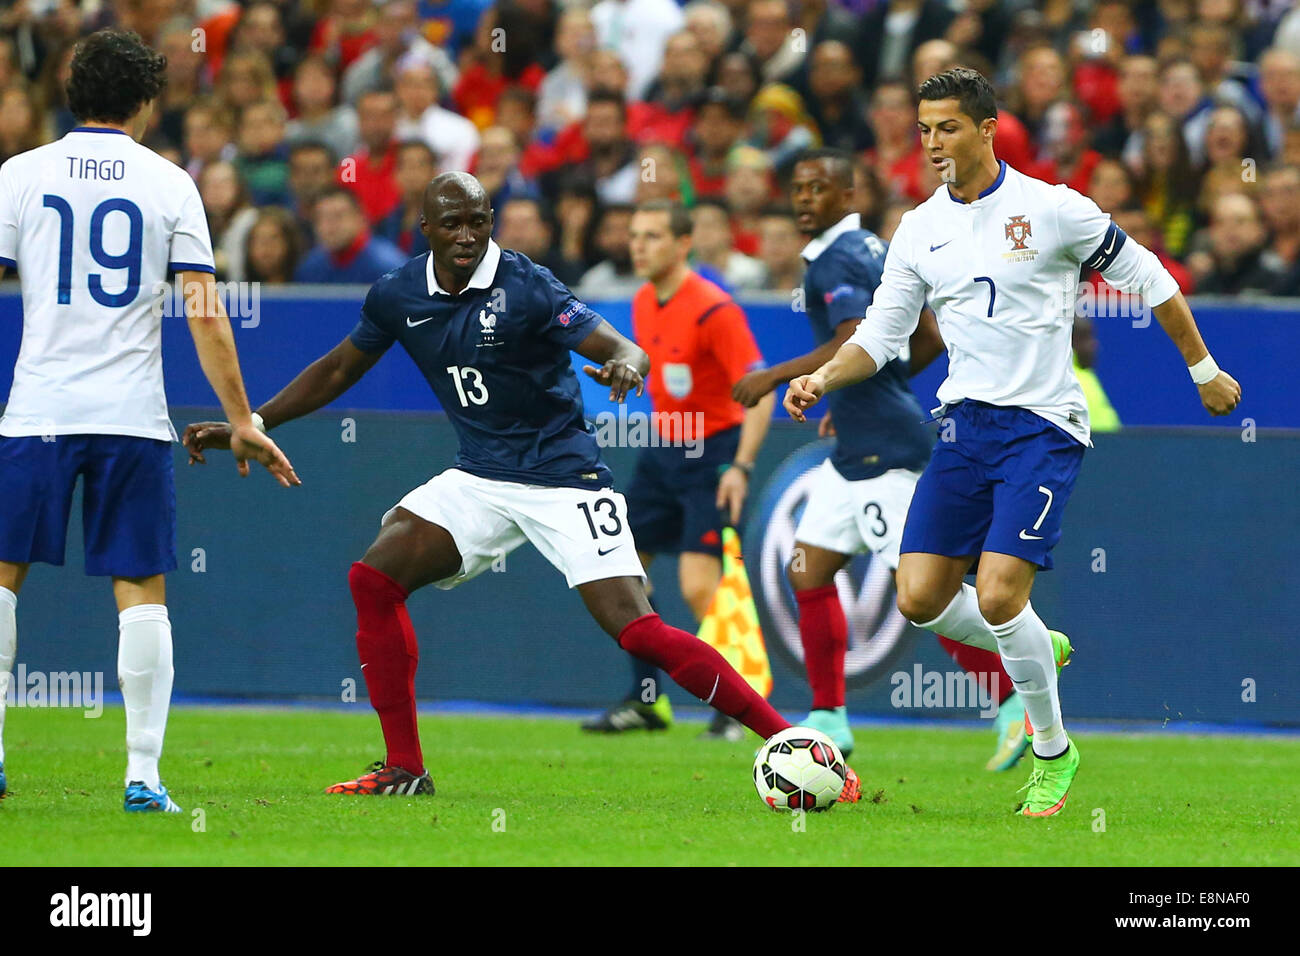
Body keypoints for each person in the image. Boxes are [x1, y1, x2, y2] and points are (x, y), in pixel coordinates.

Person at [183, 172, 858, 802]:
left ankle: (795, 743)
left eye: (479, 220)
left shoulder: (526, 285)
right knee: (374, 578)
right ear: (425, 227)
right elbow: (336, 371)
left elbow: (620, 348)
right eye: (454, 222)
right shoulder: (396, 294)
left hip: (563, 477)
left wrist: (624, 368)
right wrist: (254, 422)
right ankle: (405, 769)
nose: (469, 234)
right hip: (479, 475)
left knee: (637, 628)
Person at [784, 70, 1240, 816]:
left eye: (948, 128)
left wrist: (1204, 368)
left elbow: (1149, 276)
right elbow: (880, 335)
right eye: (925, 129)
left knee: (998, 594)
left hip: (1042, 426)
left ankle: (1055, 751)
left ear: (987, 128)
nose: (933, 143)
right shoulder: (920, 228)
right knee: (919, 596)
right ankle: (1037, 644)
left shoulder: (1053, 209)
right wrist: (824, 378)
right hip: (963, 426)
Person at [0, 29, 299, 811]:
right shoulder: (170, 185)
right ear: (144, 100)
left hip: (38, 411)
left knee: (2, 580)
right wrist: (241, 417)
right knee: (141, 587)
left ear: (72, 94)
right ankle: (141, 776)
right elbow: (205, 311)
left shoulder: (19, 175)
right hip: (131, 416)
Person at [733, 148, 1032, 771]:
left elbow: (849, 339)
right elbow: (925, 336)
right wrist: (859, 388)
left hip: (884, 456)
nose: (806, 198)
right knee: (809, 570)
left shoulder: (838, 259)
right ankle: (829, 718)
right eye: (799, 188)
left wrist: (775, 377)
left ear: (850, 196)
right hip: (857, 449)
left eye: (821, 188)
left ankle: (1014, 698)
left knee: (925, 593)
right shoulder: (871, 249)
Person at [580, 200, 775, 741]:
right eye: (635, 235)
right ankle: (648, 701)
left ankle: (739, 702)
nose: (638, 245)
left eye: (653, 236)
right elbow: (661, 374)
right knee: (625, 571)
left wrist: (741, 466)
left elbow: (759, 394)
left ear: (683, 244)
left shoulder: (715, 308)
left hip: (714, 452)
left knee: (697, 584)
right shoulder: (644, 300)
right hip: (665, 447)